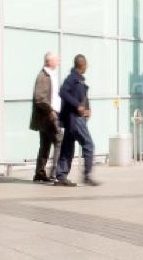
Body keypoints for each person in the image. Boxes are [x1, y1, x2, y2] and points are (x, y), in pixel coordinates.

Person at [55, 54, 99, 187]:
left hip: (73, 120)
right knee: (89, 145)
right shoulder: (72, 78)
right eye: (86, 65)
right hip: (75, 119)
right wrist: (78, 106)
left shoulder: (78, 79)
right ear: (82, 65)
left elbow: (82, 96)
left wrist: (87, 108)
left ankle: (61, 176)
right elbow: (63, 92)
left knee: (67, 147)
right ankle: (86, 176)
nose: (87, 67)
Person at [30, 51, 62, 183]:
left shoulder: (49, 75)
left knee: (45, 144)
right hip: (48, 117)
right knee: (59, 140)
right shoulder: (43, 76)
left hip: (49, 116)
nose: (59, 61)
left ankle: (40, 173)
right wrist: (50, 111)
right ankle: (55, 172)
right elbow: (39, 97)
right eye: (57, 60)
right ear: (50, 62)